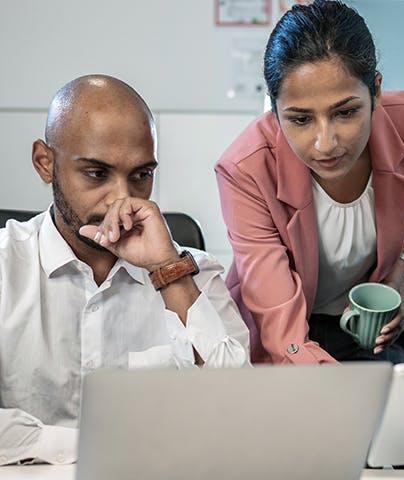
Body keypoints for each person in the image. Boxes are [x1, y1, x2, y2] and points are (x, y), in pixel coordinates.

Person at [0, 75, 251, 466]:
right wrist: (91, 446)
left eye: (141, 175)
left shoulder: (195, 273)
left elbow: (242, 416)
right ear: (44, 163)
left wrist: (169, 271)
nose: (123, 199)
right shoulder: (3, 267)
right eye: (97, 174)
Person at [215, 0, 404, 364]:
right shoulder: (245, 169)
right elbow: (280, 324)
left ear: (376, 92)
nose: (326, 143)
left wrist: (397, 273)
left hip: (373, 327)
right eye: (301, 120)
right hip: (285, 330)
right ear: (274, 111)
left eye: (346, 112)